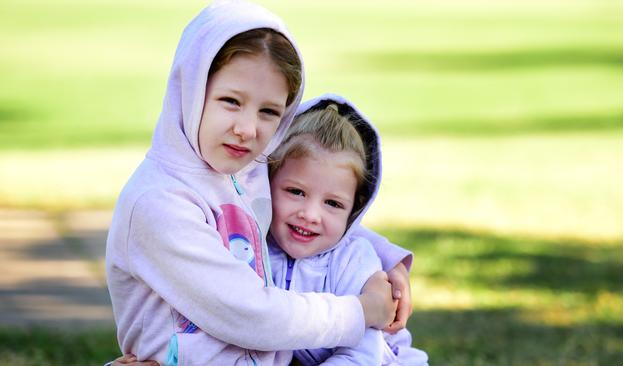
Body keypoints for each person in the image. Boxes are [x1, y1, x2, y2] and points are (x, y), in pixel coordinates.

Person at [105, 1, 413, 365]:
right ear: (192, 90)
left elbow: (305, 210)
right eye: (231, 101)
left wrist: (386, 261)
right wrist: (359, 312)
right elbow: (249, 313)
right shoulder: (160, 202)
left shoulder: (242, 174)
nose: (248, 129)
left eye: (269, 111)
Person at [266, 94, 428, 365]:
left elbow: (361, 355)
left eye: (332, 203)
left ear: (354, 210)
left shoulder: (355, 260)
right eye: (296, 191)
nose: (310, 215)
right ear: (267, 181)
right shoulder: (253, 248)